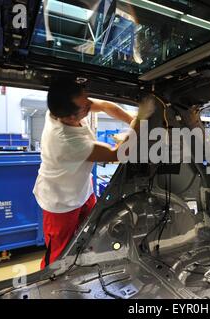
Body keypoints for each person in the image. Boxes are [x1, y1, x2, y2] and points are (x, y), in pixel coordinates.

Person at [33, 77, 152, 268]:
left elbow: (104, 105)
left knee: (92, 234)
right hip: (60, 202)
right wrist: (141, 120)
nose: (90, 105)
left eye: (87, 99)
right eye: (85, 107)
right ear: (70, 117)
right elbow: (117, 154)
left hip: (82, 190)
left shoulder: (61, 109)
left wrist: (131, 120)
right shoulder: (67, 142)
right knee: (58, 254)